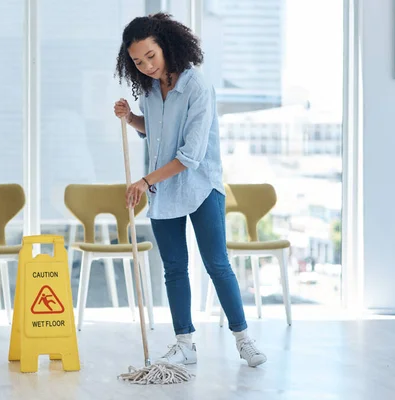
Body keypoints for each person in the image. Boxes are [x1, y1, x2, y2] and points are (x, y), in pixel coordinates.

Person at [113, 13, 267, 368]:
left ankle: (243, 339)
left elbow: (190, 156)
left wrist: (146, 180)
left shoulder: (197, 86)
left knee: (217, 264)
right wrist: (130, 118)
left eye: (151, 55)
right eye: (137, 61)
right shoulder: (149, 91)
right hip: (163, 189)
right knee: (174, 268)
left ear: (166, 45)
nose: (147, 65)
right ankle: (185, 344)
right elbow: (155, 132)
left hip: (200, 186)